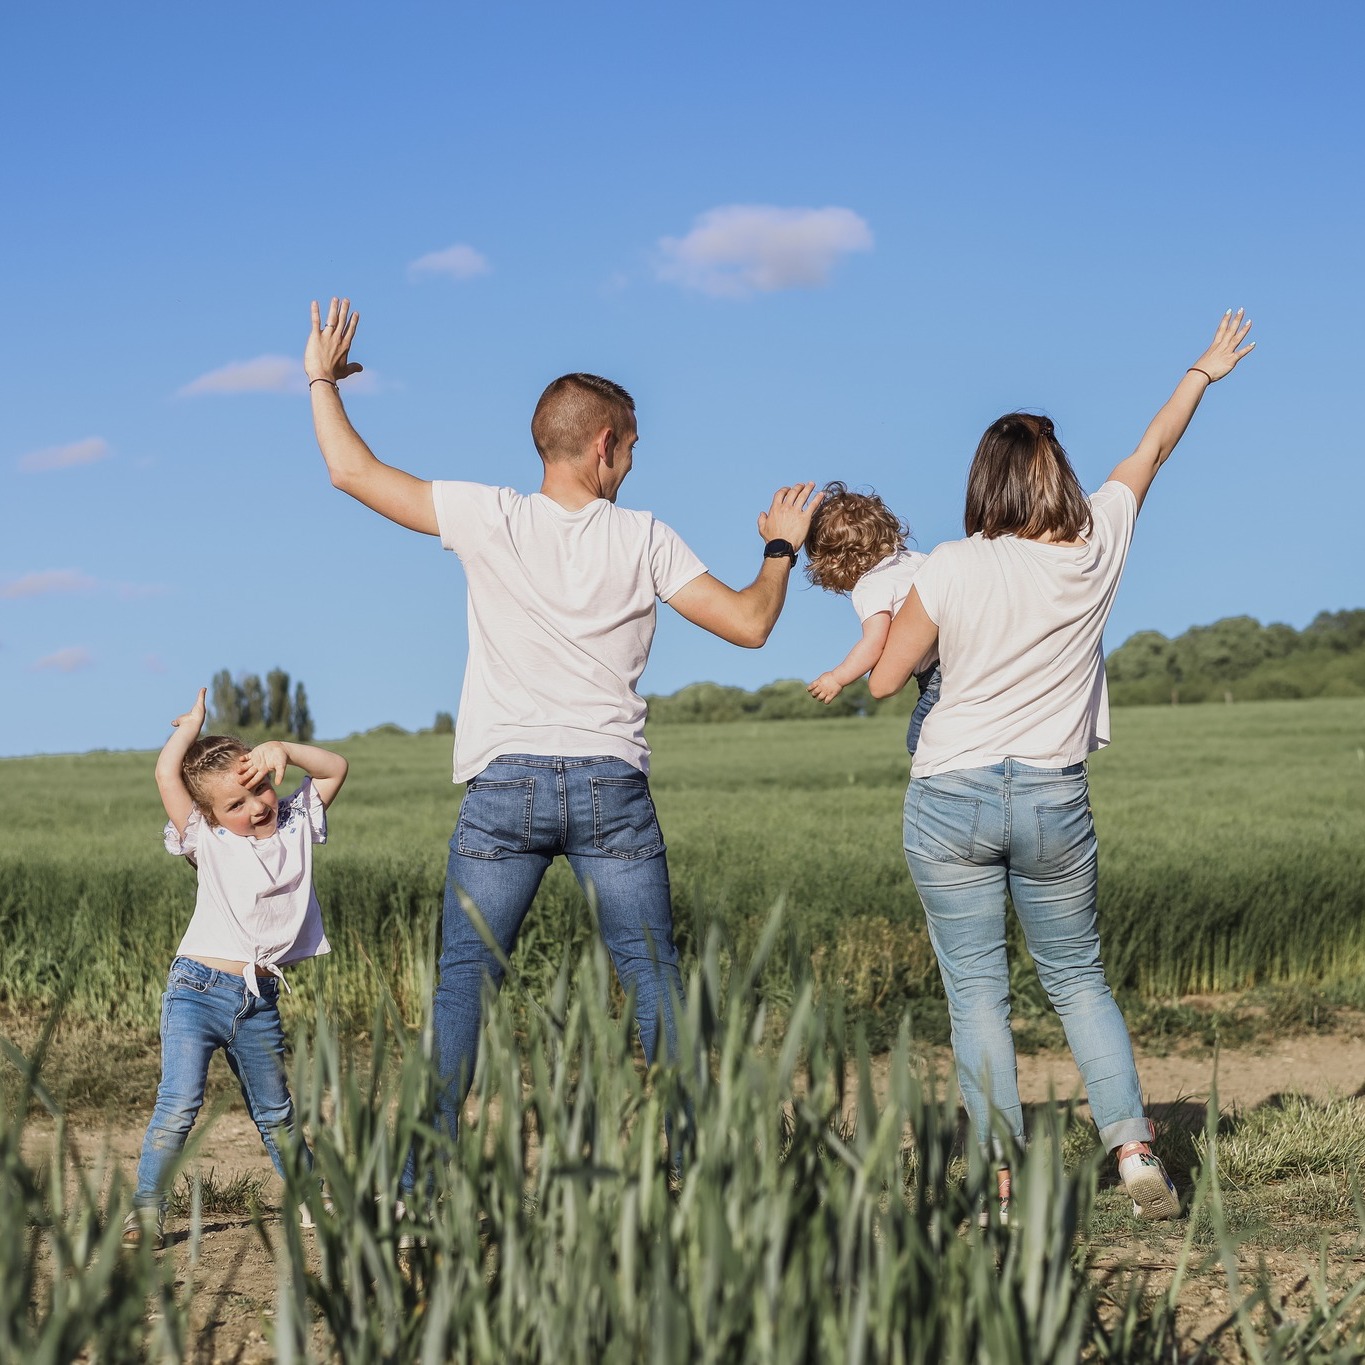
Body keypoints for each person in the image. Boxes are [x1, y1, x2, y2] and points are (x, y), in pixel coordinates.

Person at [303, 297, 822, 1164]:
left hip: (503, 787)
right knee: (652, 979)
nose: (631, 465)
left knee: (463, 985)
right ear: (602, 444)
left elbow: (350, 471)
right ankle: (698, 1172)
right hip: (610, 786)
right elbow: (748, 623)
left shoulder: (490, 515)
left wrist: (322, 379)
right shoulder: (644, 536)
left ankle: (419, 1184)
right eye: (631, 448)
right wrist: (780, 547)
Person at [868, 310, 1255, 1220]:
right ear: (1058, 476)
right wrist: (1200, 372)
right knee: (1078, 978)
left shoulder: (950, 564)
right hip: (1051, 797)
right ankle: (1134, 1151)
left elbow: (884, 679)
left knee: (977, 996)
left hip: (948, 796)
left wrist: (889, 616)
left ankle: (998, 1182)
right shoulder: (1096, 545)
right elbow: (1151, 450)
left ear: (983, 482)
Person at [124, 687, 348, 1247]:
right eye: (235, 805)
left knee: (276, 1112)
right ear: (209, 816)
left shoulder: (296, 822)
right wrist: (189, 730)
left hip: (259, 1001)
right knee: (178, 1105)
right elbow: (166, 776)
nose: (255, 807)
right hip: (196, 990)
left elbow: (335, 767)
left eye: (260, 788)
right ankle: (146, 1212)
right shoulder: (208, 839)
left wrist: (284, 749)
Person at [803, 481, 942, 752]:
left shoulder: (870, 586)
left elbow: (874, 642)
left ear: (833, 561)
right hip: (965, 659)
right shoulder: (915, 559)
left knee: (919, 742)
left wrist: (838, 677)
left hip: (936, 676)